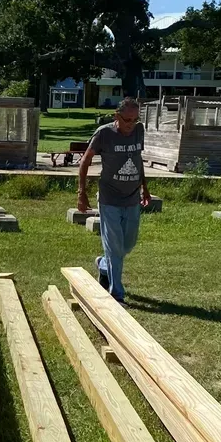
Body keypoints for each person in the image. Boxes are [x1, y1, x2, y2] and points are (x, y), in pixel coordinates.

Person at [77, 97, 151, 301]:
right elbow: (85, 161)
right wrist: (82, 193)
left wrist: (145, 188)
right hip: (109, 197)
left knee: (128, 243)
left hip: (132, 197)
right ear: (116, 116)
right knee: (114, 246)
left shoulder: (138, 131)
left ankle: (103, 264)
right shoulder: (104, 133)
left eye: (135, 120)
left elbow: (137, 160)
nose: (131, 125)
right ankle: (116, 293)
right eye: (127, 120)